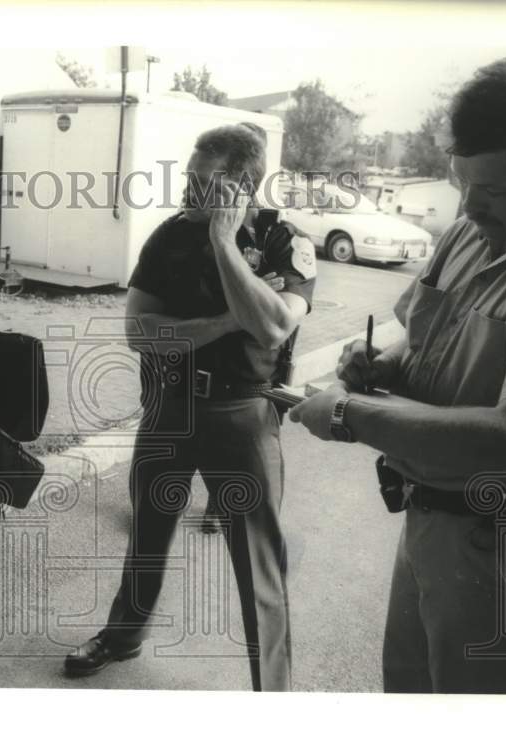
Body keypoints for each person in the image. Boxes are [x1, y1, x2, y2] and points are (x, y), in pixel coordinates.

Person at [289, 57, 506, 694]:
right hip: (431, 517)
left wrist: (349, 414)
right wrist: (384, 364)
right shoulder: (472, 227)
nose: (467, 206)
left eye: (492, 190)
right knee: (411, 711)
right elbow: (422, 334)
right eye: (462, 182)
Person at [64, 125, 316, 690]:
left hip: (242, 417)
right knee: (148, 534)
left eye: (200, 183)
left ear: (240, 187)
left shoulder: (284, 242)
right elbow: (140, 333)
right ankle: (123, 636)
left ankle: (272, 689)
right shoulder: (169, 236)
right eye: (187, 177)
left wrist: (227, 247)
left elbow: (274, 325)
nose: (185, 191)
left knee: (257, 558)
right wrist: (231, 318)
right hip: (168, 411)